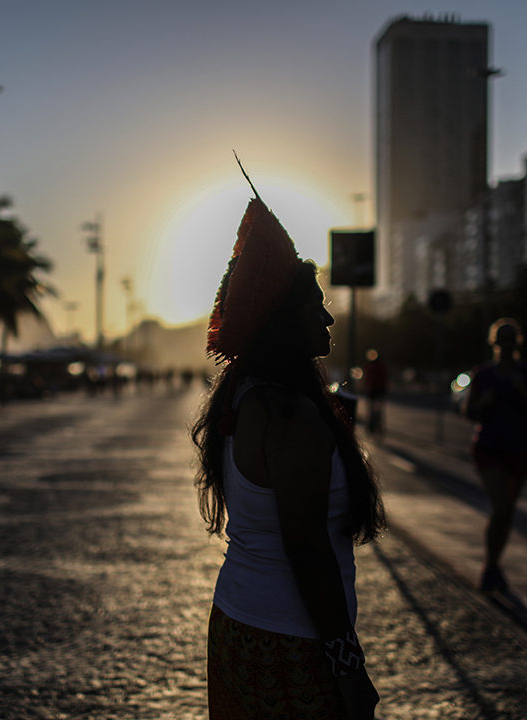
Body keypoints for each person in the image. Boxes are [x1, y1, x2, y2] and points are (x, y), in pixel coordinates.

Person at [193, 192, 385, 720]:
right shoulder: (290, 417)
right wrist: (347, 665)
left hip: (237, 623)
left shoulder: (243, 392)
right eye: (314, 305)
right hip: (290, 643)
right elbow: (307, 549)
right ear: (284, 319)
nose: (327, 316)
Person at [461, 318, 527, 594]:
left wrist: (524, 392)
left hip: (520, 447)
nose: (507, 347)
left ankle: (494, 565)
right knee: (501, 506)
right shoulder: (483, 374)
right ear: (494, 344)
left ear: (517, 344)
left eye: (511, 341)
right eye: (502, 341)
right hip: (488, 448)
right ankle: (490, 567)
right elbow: (468, 411)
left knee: (507, 510)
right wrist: (482, 404)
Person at [361, 349, 389, 435]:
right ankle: (378, 426)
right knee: (378, 409)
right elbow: (385, 379)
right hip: (380, 390)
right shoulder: (382, 367)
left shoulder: (369, 366)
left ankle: (371, 426)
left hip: (372, 390)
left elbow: (366, 379)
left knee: (371, 408)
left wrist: (364, 386)